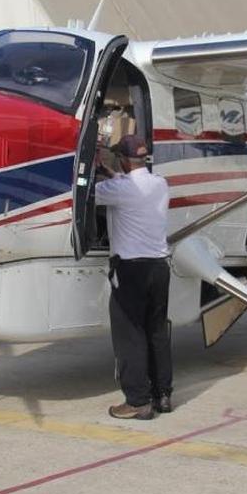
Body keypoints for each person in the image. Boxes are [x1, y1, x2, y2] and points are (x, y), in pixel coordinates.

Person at [94, 134, 172, 420]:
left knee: (130, 333)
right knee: (156, 331)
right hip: (159, 268)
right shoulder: (160, 184)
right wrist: (110, 172)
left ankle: (138, 401)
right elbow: (131, 186)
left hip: (131, 270)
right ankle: (163, 395)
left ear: (124, 160)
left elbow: (86, 192)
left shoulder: (117, 189)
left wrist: (96, 169)